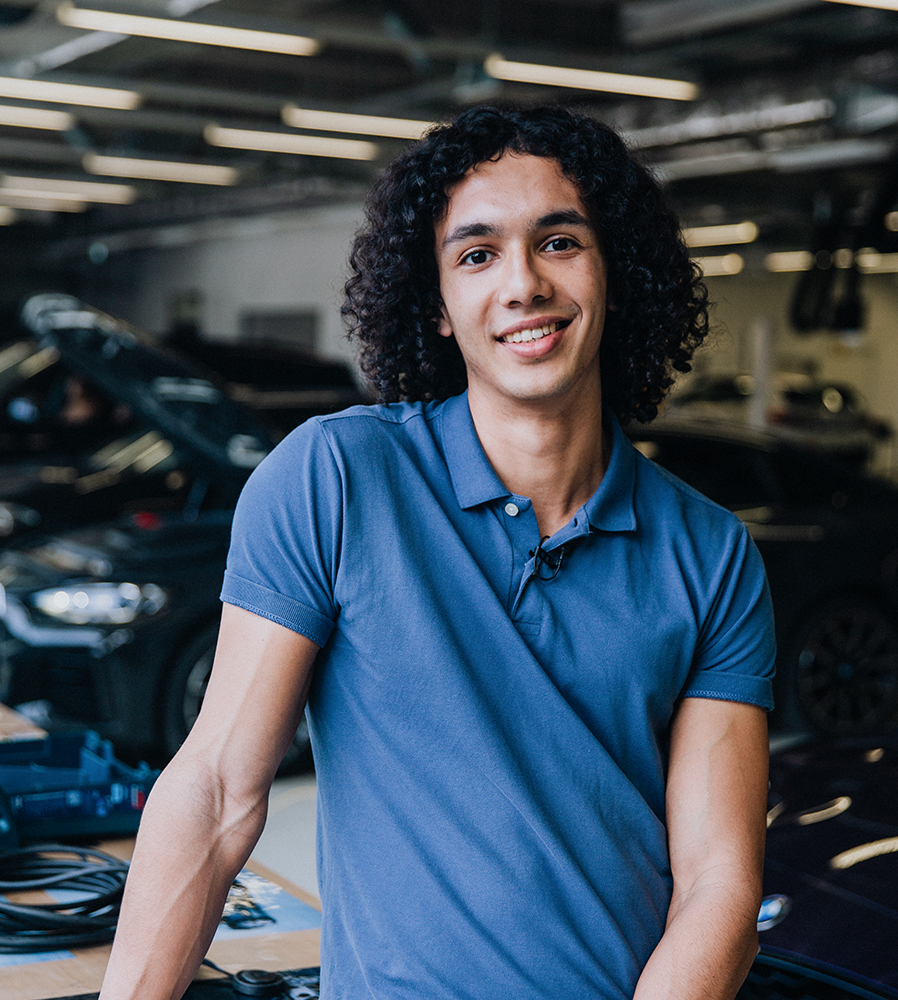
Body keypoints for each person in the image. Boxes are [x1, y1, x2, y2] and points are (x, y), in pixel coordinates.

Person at [99, 105, 775, 1000]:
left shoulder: (712, 556)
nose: (523, 284)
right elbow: (219, 792)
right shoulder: (336, 479)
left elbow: (719, 887)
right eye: (477, 254)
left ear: (618, 275)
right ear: (441, 309)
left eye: (560, 242)